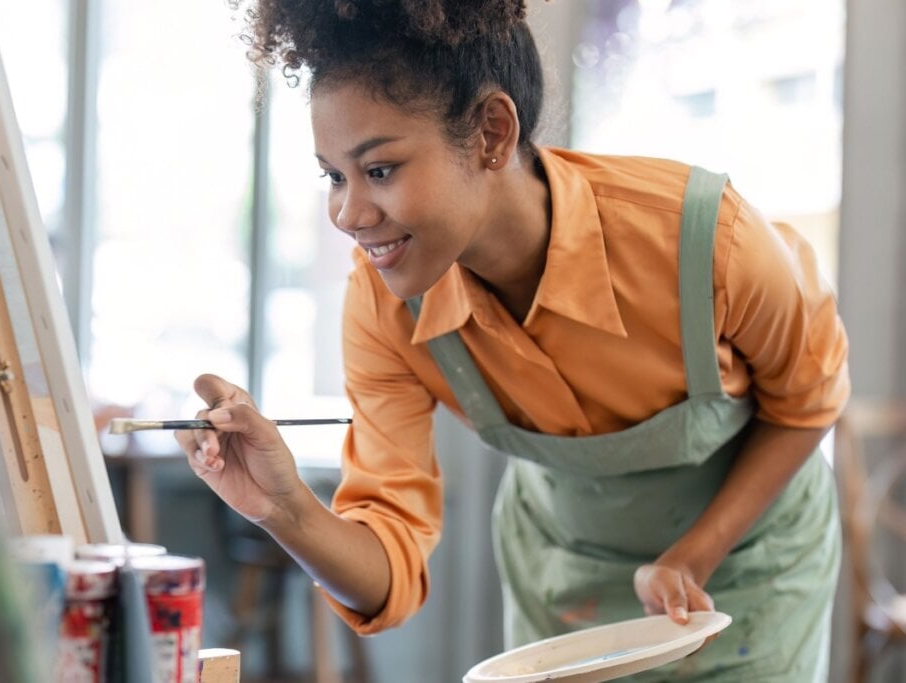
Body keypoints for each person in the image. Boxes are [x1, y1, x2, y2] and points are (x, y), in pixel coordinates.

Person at [176, 1, 849, 680]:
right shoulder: (385, 306)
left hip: (748, 566)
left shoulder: (706, 240)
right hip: (564, 572)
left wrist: (692, 554)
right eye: (334, 175)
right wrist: (283, 506)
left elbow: (809, 402)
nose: (349, 214)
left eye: (379, 170)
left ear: (492, 133)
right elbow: (388, 572)